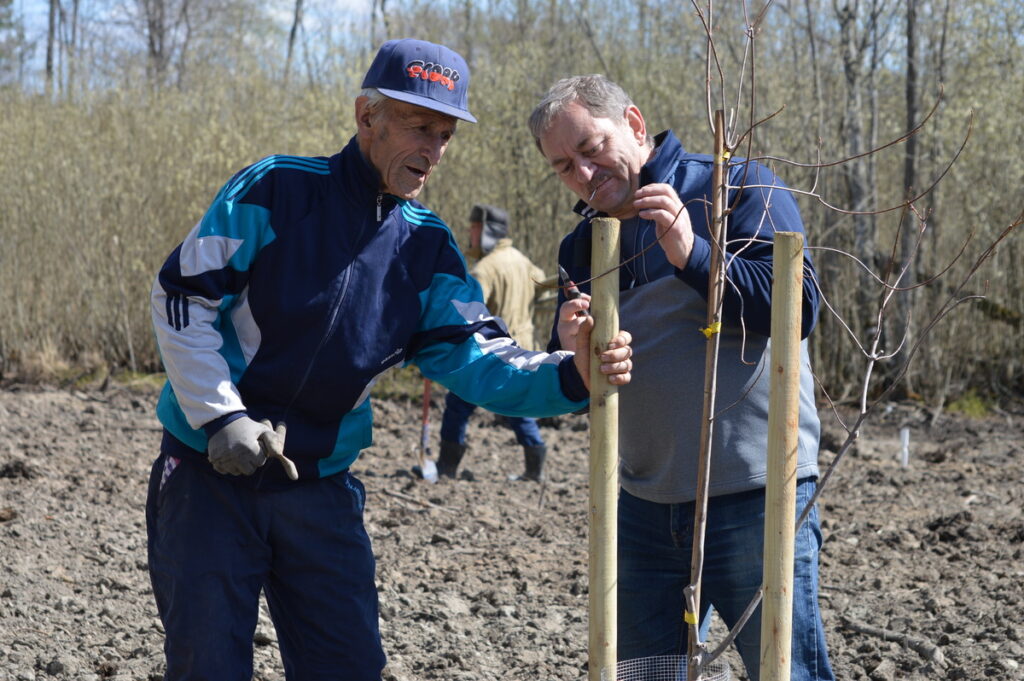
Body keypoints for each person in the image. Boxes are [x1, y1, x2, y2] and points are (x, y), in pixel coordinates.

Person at [146, 41, 633, 681]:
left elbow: (481, 357)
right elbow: (182, 296)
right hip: (209, 481)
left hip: (317, 490)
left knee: (347, 666)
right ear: (366, 117)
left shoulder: (426, 249)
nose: (433, 149)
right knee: (207, 667)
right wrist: (221, 418)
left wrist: (572, 375)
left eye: (445, 134)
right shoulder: (275, 190)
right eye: (419, 127)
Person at [529, 74, 834, 681]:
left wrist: (694, 253)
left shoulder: (735, 187)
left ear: (635, 125)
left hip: (755, 495)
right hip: (639, 510)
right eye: (564, 167)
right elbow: (575, 381)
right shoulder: (581, 246)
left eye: (591, 150)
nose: (583, 177)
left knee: (785, 671)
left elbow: (796, 309)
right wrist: (570, 350)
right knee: (647, 675)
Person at [435, 203, 549, 481]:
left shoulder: (484, 270)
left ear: (487, 231)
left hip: (491, 354)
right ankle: (535, 468)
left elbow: (469, 314)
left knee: (458, 405)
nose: (470, 233)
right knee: (518, 407)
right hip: (524, 350)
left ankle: (446, 469)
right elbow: (544, 293)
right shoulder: (523, 261)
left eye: (474, 228)